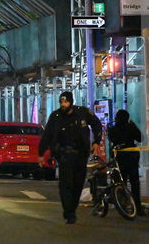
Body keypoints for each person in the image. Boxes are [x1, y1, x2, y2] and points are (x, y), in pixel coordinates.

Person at [39, 91, 102, 224]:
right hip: (64, 155)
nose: (63, 104)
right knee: (65, 184)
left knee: (78, 183)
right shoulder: (56, 117)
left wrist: (97, 141)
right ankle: (69, 213)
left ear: (71, 102)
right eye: (61, 102)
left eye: (66, 102)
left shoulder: (82, 113)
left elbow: (96, 124)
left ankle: (72, 207)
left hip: (81, 154)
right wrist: (41, 154)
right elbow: (47, 135)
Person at [107, 109, 145, 216]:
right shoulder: (130, 128)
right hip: (131, 159)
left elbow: (111, 138)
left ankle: (122, 205)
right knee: (135, 183)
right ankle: (138, 207)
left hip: (119, 159)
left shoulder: (113, 129)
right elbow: (141, 138)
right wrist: (133, 125)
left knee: (121, 182)